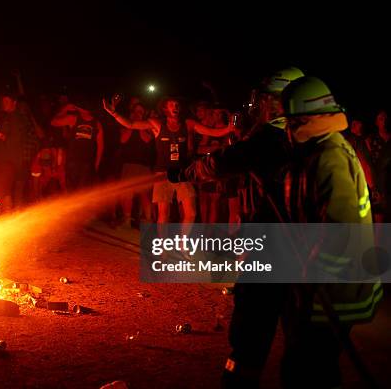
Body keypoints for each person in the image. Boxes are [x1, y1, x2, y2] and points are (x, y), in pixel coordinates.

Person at [170, 67, 305, 388]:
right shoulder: (312, 138)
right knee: (300, 333)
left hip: (273, 242)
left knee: (251, 329)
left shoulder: (271, 136)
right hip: (305, 246)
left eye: (269, 99)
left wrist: (185, 172)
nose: (262, 105)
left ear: (283, 101)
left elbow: (223, 161)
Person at [277, 76, 381, 388]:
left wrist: (308, 283)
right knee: (317, 369)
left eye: (291, 120)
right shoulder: (321, 148)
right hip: (329, 290)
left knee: (304, 371)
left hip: (332, 294)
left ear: (304, 118)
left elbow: (340, 232)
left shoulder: (328, 157)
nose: (286, 128)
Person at [104, 96, 231, 235]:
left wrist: (230, 127)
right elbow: (131, 124)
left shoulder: (188, 124)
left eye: (176, 104)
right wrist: (113, 113)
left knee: (191, 213)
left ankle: (182, 243)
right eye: (171, 105)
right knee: (163, 214)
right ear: (165, 108)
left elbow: (213, 132)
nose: (175, 107)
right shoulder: (157, 124)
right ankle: (163, 247)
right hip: (162, 174)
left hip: (182, 174)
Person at [0, 93, 37, 210]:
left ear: (14, 103)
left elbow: (15, 140)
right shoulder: (5, 116)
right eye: (3, 102)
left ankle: (11, 218)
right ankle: (11, 216)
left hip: (13, 161)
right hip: (6, 161)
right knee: (8, 191)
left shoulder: (18, 118)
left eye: (7, 102)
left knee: (8, 191)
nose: (4, 104)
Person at [115, 102, 155, 227]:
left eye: (141, 112)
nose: (138, 114)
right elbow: (123, 139)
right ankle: (127, 219)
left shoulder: (148, 127)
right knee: (127, 193)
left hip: (143, 165)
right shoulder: (125, 125)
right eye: (136, 111)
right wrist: (131, 124)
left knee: (144, 194)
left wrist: (138, 124)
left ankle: (148, 220)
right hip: (129, 164)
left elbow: (146, 139)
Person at [51, 101, 104, 191]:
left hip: (74, 163)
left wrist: (64, 109)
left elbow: (53, 122)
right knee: (82, 193)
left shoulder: (73, 119)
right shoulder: (97, 124)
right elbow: (101, 147)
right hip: (86, 164)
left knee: (73, 192)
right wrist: (96, 165)